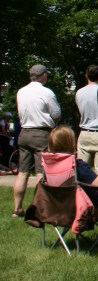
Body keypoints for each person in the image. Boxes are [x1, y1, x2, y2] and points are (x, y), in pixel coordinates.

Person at [13, 64, 61, 217]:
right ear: (44, 76)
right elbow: (56, 114)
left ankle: (17, 209)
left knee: (22, 173)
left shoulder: (21, 91)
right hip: (41, 134)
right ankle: (38, 209)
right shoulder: (46, 92)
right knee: (41, 173)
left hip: (24, 132)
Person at [47, 125, 98, 207]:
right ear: (71, 144)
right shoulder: (77, 166)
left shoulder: (49, 166)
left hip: (63, 205)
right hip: (92, 203)